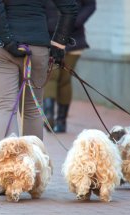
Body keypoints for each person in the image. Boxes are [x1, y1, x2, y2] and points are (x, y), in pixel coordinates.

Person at [0, 0, 78, 141]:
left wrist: (7, 40)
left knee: (6, 108)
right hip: (36, 46)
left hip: (1, 47)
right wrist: (58, 43)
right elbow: (70, 8)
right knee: (32, 110)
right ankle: (33, 159)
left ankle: (11, 160)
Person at [44, 0, 96, 133]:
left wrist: (74, 21)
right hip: (49, 37)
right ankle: (50, 118)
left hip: (74, 39)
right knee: (52, 75)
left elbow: (90, 5)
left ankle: (59, 121)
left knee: (64, 79)